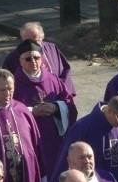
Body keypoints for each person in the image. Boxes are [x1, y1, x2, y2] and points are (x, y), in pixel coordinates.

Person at [12, 39, 77, 173]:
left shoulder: (52, 79)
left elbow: (69, 102)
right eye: (28, 59)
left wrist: (56, 107)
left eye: (36, 57)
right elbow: (8, 109)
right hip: (28, 138)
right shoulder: (13, 83)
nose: (33, 62)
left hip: (53, 138)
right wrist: (30, 111)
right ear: (21, 61)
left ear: (41, 59)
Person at [3, 21, 75, 95]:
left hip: (56, 94)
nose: (31, 45)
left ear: (41, 37)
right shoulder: (12, 58)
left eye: (35, 41)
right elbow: (6, 83)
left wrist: (63, 91)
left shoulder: (52, 48)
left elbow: (65, 70)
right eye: (27, 41)